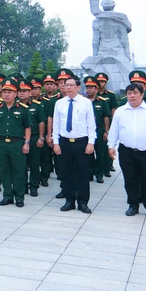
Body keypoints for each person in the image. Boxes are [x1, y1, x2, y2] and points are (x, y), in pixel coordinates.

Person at [108, 82, 146, 218]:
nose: (132, 96)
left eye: (135, 93)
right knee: (130, 179)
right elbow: (114, 130)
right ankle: (133, 205)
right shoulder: (120, 111)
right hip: (127, 151)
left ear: (142, 94)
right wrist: (111, 146)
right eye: (129, 93)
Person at [52, 75, 97, 214]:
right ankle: (69, 201)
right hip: (65, 142)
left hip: (81, 143)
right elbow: (56, 124)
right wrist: (56, 143)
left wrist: (91, 142)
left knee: (83, 174)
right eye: (66, 85)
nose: (69, 87)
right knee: (66, 173)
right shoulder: (59, 103)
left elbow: (91, 124)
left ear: (78, 87)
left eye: (72, 85)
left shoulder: (86, 103)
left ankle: (83, 202)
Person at [0, 78, 32, 207]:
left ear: (15, 94)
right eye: (5, 92)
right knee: (4, 170)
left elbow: (27, 127)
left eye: (10, 92)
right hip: (2, 143)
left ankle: (19, 197)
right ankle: (7, 195)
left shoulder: (23, 109)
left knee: (19, 171)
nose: (7, 94)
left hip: (17, 143)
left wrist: (27, 143)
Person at [18, 80, 46, 197]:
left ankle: (34, 186)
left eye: (25, 91)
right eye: (20, 91)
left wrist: (41, 137)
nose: (22, 93)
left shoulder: (36, 106)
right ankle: (23, 185)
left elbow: (41, 122)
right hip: (19, 139)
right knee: (21, 164)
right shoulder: (15, 106)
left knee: (34, 164)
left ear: (30, 92)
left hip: (34, 138)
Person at [84, 76, 111, 184]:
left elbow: (106, 116)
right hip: (85, 131)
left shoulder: (102, 101)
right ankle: (89, 173)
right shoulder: (83, 101)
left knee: (100, 153)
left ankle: (99, 174)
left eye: (91, 87)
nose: (89, 89)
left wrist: (106, 131)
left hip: (99, 129)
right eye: (87, 87)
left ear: (96, 88)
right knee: (88, 153)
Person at [96, 72, 119, 177]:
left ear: (106, 82)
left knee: (107, 146)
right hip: (96, 124)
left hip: (107, 122)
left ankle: (108, 166)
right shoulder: (92, 94)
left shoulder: (110, 94)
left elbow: (113, 109)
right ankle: (98, 169)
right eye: (99, 81)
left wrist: (113, 123)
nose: (101, 83)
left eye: (103, 81)